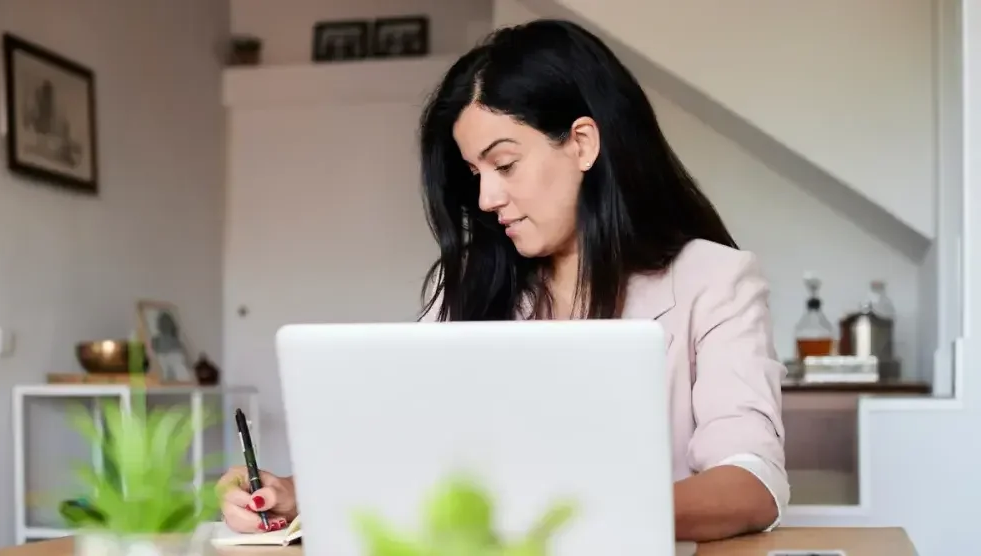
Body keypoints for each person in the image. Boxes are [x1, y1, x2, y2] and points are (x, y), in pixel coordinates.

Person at [219, 18, 788, 542]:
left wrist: (581, 515)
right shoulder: (470, 282)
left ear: (583, 143)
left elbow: (751, 483)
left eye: (506, 164)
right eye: (475, 174)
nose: (487, 199)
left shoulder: (714, 282)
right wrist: (295, 492)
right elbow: (403, 451)